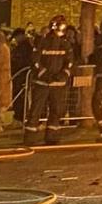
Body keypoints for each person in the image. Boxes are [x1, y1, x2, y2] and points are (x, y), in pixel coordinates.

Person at [28, 13, 76, 144]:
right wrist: (45, 74)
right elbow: (35, 60)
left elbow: (70, 62)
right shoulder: (42, 42)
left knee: (56, 110)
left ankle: (52, 137)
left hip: (58, 84)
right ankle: (30, 137)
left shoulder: (66, 45)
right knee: (36, 110)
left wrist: (62, 75)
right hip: (42, 82)